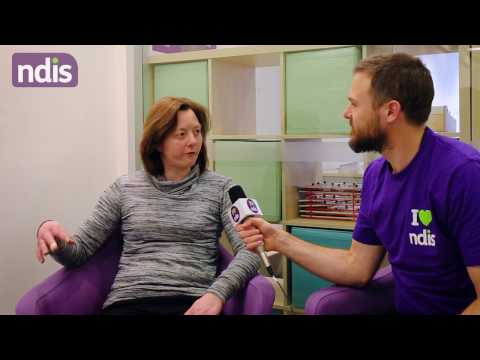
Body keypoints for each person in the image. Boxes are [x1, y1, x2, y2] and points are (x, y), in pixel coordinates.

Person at [237, 53, 480, 315]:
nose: (346, 113)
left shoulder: (463, 174)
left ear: (390, 111)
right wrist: (279, 240)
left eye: (354, 104)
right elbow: (357, 267)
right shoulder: (376, 176)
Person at [35, 96, 260, 315]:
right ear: (158, 142)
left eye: (197, 131)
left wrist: (216, 294)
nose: (193, 141)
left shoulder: (222, 189)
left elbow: (251, 252)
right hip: (128, 302)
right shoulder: (124, 188)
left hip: (192, 303)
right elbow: (79, 253)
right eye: (181, 134)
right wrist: (54, 238)